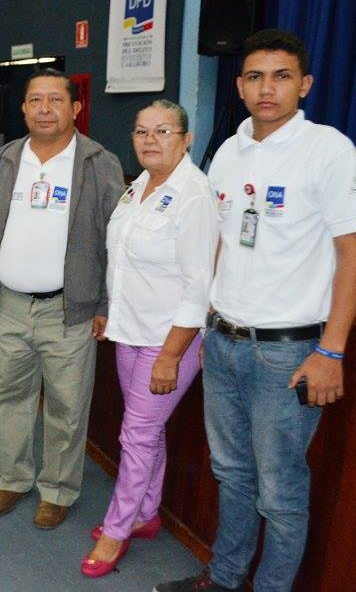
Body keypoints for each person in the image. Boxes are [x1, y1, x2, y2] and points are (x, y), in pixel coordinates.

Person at [155, 29, 356, 592]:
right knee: (232, 473)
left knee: (280, 490)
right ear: (239, 85)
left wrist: (331, 350)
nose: (267, 88)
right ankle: (225, 579)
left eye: (280, 76)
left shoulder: (329, 150)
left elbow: (353, 255)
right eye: (255, 76)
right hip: (223, 340)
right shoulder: (229, 150)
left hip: (290, 352)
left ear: (305, 84)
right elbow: (222, 243)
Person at [0, 68, 124, 529]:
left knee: (66, 403)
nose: (44, 109)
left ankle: (58, 489)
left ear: (75, 108)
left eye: (55, 100)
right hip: (11, 305)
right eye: (35, 100)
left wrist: (102, 304)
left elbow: (114, 240)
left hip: (69, 308)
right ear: (23, 108)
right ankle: (13, 479)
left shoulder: (99, 163)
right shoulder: (4, 159)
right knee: (9, 396)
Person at [80, 100, 218, 577]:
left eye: (162, 131)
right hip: (130, 331)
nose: (150, 140)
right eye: (142, 131)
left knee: (135, 434)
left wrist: (171, 355)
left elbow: (199, 286)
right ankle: (145, 514)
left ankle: (117, 531)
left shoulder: (195, 195)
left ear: (187, 138)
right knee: (146, 431)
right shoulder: (139, 186)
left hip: (171, 341)